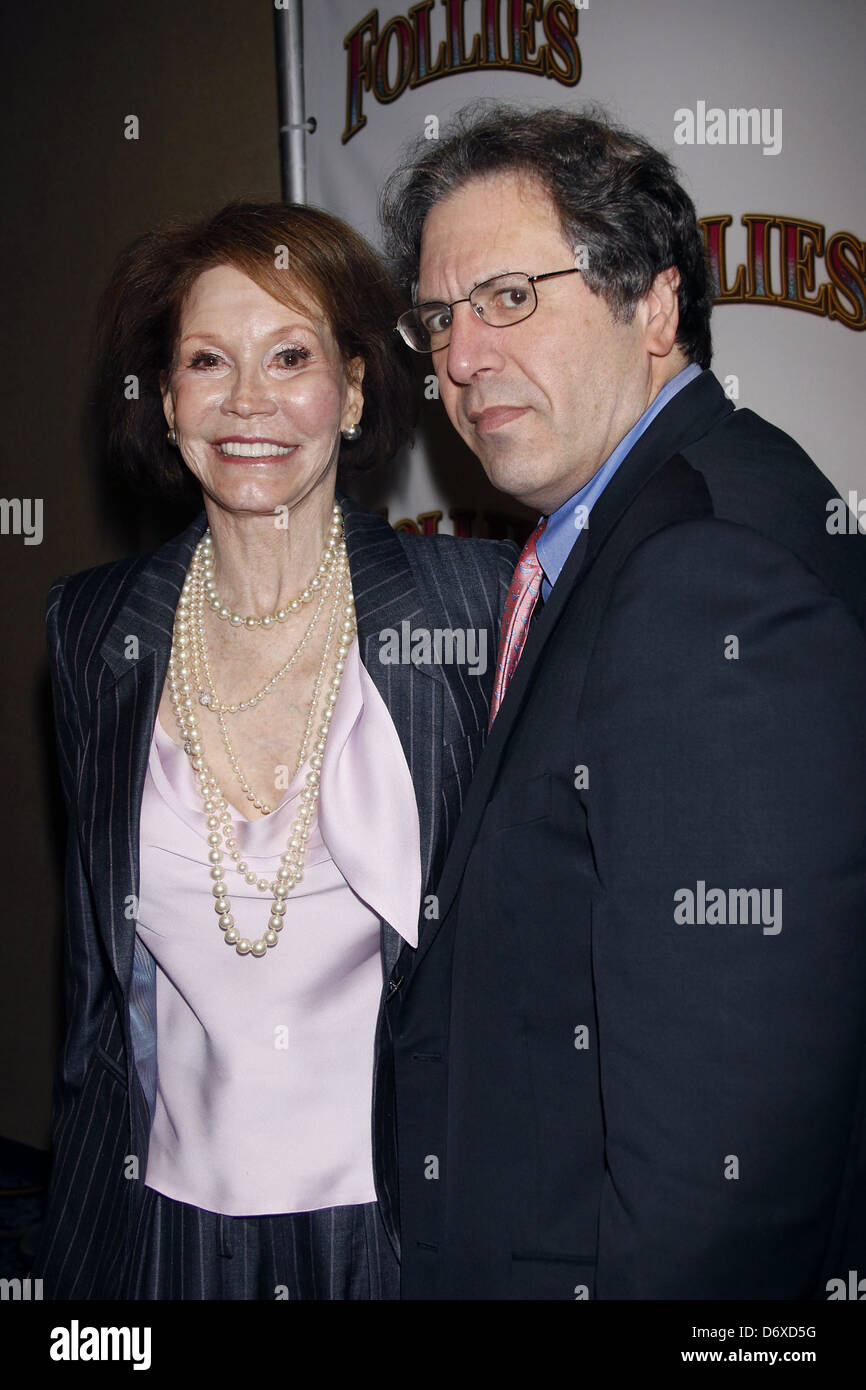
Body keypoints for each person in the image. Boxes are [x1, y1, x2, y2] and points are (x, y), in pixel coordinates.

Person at [380, 104, 866, 1299]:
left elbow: (723, 1163)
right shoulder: (633, 522)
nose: (460, 357)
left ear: (651, 306)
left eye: (506, 298)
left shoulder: (707, 563)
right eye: (438, 320)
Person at [34, 200, 517, 1300]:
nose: (247, 400)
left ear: (352, 390)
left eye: (289, 355)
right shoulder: (91, 629)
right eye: (208, 360)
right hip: (157, 1232)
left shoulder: (473, 613)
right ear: (164, 400)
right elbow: (96, 998)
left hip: (402, 1229)